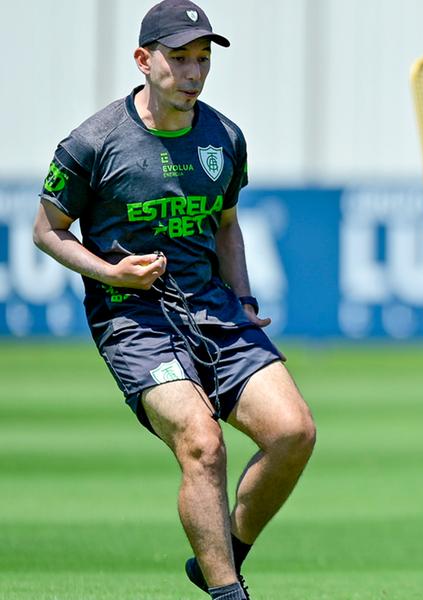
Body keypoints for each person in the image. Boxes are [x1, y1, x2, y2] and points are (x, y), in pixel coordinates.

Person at [32, 2, 316, 598]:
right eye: (180, 58)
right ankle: (227, 591)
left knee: (294, 432)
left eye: (203, 59)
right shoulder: (91, 143)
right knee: (201, 440)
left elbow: (228, 225)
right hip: (134, 320)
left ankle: (223, 549)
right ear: (143, 60)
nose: (194, 72)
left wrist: (241, 295)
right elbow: (47, 230)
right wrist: (112, 272)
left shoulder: (224, 136)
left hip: (213, 309)